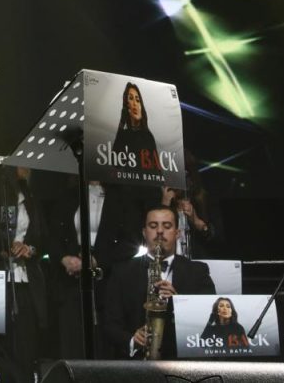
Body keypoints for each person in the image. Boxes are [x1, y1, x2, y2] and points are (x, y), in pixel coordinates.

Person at [45, 178, 142, 358]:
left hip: (107, 280)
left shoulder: (121, 197)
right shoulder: (69, 196)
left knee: (105, 340)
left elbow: (131, 242)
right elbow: (53, 237)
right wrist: (64, 259)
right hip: (71, 281)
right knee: (73, 339)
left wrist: (97, 260)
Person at [103, 206, 216, 359]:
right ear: (144, 233)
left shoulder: (198, 271)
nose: (160, 231)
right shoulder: (121, 272)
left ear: (177, 233)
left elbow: (209, 318)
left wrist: (179, 304)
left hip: (182, 361)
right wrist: (132, 340)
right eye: (153, 226)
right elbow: (110, 324)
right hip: (136, 364)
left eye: (167, 226)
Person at [0, 166, 48, 382]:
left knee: (26, 343)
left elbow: (41, 238)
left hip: (23, 280)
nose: (28, 167)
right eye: (22, 162)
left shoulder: (29, 197)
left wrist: (29, 249)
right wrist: (0, 252)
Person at [111, 83, 159, 169]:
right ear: (127, 105)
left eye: (137, 100)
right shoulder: (124, 135)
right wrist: (121, 123)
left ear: (141, 106)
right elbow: (115, 162)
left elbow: (156, 170)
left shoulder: (148, 136)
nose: (135, 104)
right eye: (131, 98)